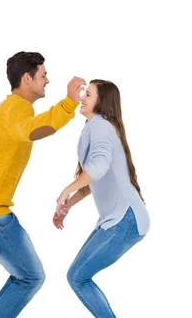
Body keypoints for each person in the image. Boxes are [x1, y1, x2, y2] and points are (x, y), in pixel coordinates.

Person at [0, 51, 86, 318]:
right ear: (27, 78)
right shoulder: (14, 108)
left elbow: (31, 127)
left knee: (25, 276)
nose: (47, 81)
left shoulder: (14, 108)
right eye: (43, 75)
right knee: (31, 277)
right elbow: (34, 130)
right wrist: (68, 103)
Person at [54, 79, 150, 318]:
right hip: (121, 218)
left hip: (125, 219)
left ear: (102, 101)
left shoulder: (101, 127)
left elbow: (97, 166)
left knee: (78, 277)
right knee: (77, 276)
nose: (82, 98)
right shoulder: (95, 127)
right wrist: (69, 204)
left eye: (88, 94)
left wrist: (67, 189)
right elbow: (94, 180)